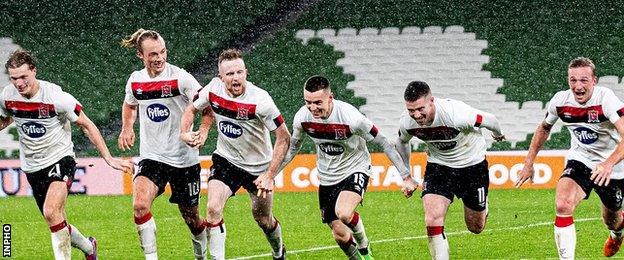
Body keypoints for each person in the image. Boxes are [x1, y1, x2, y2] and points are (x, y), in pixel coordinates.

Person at [0, 50, 133, 259]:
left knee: (51, 212)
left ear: (34, 71)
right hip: (33, 166)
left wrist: (108, 157)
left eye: (24, 77)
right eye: (14, 78)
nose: (19, 83)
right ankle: (89, 248)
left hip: (60, 158)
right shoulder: (7, 96)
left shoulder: (56, 98)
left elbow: (86, 125)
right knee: (57, 221)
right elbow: (6, 118)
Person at [279, 75, 417, 260]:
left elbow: (384, 142)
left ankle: (365, 249)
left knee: (344, 213)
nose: (312, 108)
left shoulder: (352, 118)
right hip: (327, 177)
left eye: (317, 102)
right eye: (308, 102)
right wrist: (271, 174)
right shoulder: (302, 118)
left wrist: (406, 176)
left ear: (331, 97)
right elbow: (292, 149)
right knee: (340, 235)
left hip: (355, 168)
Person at [180, 48, 290, 260]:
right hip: (226, 161)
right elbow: (191, 109)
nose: (235, 78)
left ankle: (278, 253)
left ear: (246, 73)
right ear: (221, 78)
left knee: (263, 220)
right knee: (212, 209)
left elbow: (283, 137)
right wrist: (185, 133)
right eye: (229, 74)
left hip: (258, 168)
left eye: (239, 72)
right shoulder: (213, 89)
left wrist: (269, 175)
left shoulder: (261, 100)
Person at [515, 57, 624, 259]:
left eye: (584, 80)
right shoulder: (560, 101)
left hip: (614, 166)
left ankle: (616, 234)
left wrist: (608, 164)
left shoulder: (606, 99)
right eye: (573, 80)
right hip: (580, 160)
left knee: (612, 220)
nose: (578, 86)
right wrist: (528, 163)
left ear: (594, 81)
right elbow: (544, 128)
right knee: (563, 204)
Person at [118, 28, 211, 260]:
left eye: (162, 52)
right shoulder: (136, 80)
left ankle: (201, 254)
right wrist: (127, 127)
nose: (159, 58)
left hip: (184, 159)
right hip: (152, 157)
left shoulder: (181, 78)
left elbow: (207, 106)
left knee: (191, 218)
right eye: (153, 54)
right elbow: (129, 105)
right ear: (141, 55)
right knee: (140, 205)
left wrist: (203, 130)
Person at [394, 81, 505, 260]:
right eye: (411, 110)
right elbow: (401, 142)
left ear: (432, 101)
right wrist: (406, 176)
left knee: (475, 227)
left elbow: (490, 120)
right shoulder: (407, 122)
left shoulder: (457, 114)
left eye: (420, 108)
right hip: (439, 167)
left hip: (472, 166)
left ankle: (483, 207)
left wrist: (498, 134)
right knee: (432, 219)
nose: (416, 115)